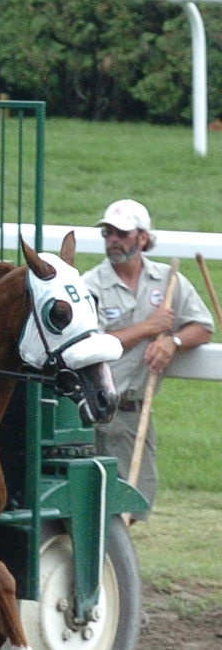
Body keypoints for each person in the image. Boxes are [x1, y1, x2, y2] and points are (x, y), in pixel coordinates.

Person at [81, 198, 214, 513]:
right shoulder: (90, 285)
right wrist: (148, 328)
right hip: (94, 413)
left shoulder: (167, 280)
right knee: (96, 505)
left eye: (121, 233)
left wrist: (173, 342)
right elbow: (90, 344)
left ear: (142, 237)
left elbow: (203, 327)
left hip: (134, 413)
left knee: (136, 500)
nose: (112, 240)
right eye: (108, 233)